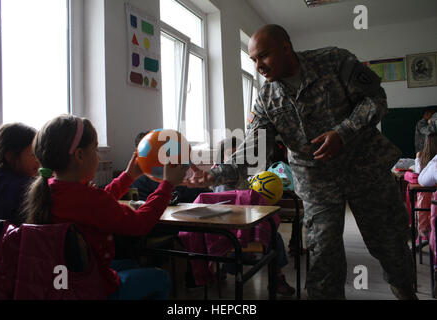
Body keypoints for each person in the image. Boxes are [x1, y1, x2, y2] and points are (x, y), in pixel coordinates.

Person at [185, 24, 416, 299]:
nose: (259, 65)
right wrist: (214, 175)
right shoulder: (266, 98)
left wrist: (343, 132)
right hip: (316, 182)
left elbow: (375, 100)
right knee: (323, 255)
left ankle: (405, 292)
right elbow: (253, 148)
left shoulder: (334, 61)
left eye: (263, 56)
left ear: (285, 47)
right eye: (253, 60)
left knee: (389, 243)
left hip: (364, 169)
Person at [23, 115, 188, 300]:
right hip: (91, 289)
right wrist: (167, 185)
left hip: (62, 281)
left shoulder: (50, 189)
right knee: (161, 277)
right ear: (79, 155)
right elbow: (141, 223)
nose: (98, 155)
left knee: (130, 264)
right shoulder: (89, 199)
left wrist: (127, 176)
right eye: (95, 149)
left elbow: (97, 205)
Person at [213, 137, 295, 296]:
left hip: (247, 224)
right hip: (226, 227)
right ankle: (219, 270)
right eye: (231, 157)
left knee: (274, 236)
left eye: (238, 158)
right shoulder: (217, 178)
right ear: (222, 158)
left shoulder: (249, 176)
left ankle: (277, 277)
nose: (234, 162)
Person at [0, 123, 39, 285]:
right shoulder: (18, 186)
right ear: (10, 156)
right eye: (32, 154)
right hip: (1, 261)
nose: (38, 160)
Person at [414, 133, 437, 246]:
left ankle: (423, 232)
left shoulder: (430, 161)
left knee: (422, 193)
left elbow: (421, 179)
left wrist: (417, 159)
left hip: (431, 202)